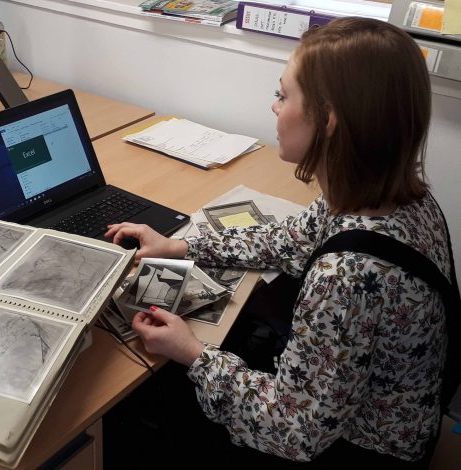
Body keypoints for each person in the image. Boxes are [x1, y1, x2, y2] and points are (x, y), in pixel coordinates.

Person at [104, 17, 451, 467]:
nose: (274, 107)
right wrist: (183, 246)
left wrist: (192, 352)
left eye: (283, 95)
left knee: (157, 409)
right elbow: (291, 240)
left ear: (328, 121)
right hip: (388, 414)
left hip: (362, 449)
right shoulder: (399, 195)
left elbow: (295, 433)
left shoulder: (346, 276)